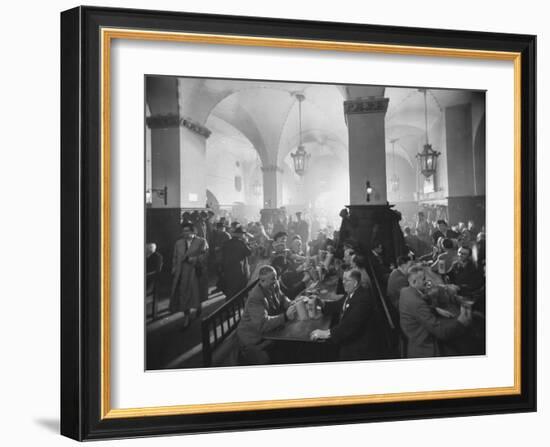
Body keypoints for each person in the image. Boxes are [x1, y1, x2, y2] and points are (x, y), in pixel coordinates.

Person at [310, 269, 383, 361]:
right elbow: (339, 305)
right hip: (352, 335)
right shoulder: (353, 292)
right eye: (343, 279)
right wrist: (321, 303)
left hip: (361, 347)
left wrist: (327, 333)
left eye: (346, 280)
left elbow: (351, 324)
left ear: (355, 283)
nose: (343, 282)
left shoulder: (363, 299)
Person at [399, 266, 471, 358]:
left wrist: (435, 309)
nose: (427, 281)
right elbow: (441, 333)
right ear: (414, 282)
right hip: (425, 344)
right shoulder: (417, 304)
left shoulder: (405, 291)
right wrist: (461, 322)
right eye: (424, 279)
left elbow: (417, 310)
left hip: (411, 335)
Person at [237, 265, 297, 364]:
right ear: (262, 281)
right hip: (253, 339)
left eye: (276, 277)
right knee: (268, 361)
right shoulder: (255, 298)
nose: (276, 281)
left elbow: (282, 297)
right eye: (273, 279)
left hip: (268, 333)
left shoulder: (273, 283)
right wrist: (285, 316)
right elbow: (262, 324)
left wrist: (290, 303)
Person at [170, 222, 209, 327]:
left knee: (196, 294)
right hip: (181, 273)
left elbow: (205, 256)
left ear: (193, 231)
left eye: (187, 231)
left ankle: (198, 306)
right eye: (183, 231)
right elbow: (175, 256)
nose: (185, 233)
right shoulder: (178, 243)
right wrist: (174, 267)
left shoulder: (201, 241)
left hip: (195, 272)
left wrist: (193, 259)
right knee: (183, 295)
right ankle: (186, 318)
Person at [221, 226, 252, 299]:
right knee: (238, 287)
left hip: (228, 268)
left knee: (230, 286)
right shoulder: (241, 243)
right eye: (242, 234)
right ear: (240, 234)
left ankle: (228, 302)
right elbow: (248, 253)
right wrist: (247, 244)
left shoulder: (226, 243)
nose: (243, 235)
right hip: (239, 269)